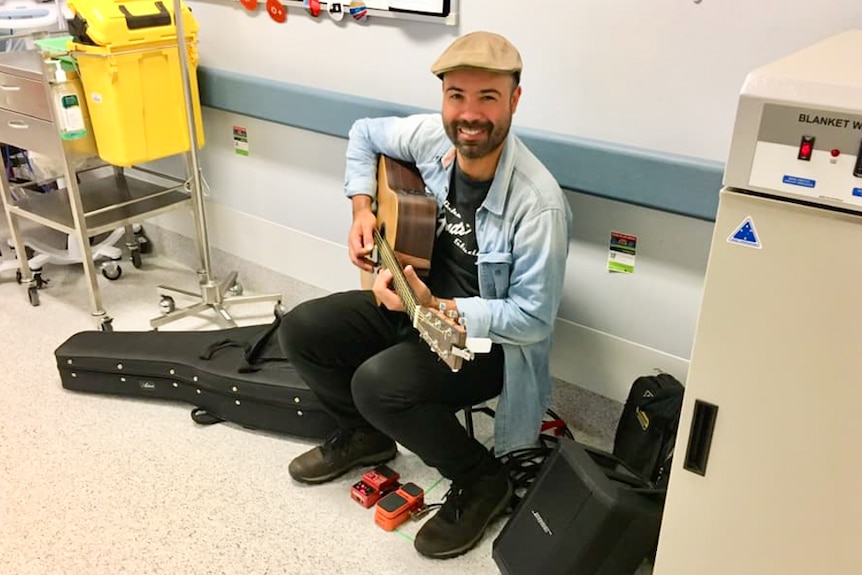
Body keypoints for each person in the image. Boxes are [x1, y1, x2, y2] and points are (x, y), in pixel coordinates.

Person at [279, 31, 572, 559]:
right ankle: (363, 436)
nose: (469, 114)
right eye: (457, 95)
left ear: (514, 100)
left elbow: (533, 320)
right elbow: (364, 133)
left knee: (378, 385)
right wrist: (362, 210)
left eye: (488, 97)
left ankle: (483, 480)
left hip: (485, 344)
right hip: (413, 304)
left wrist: (438, 308)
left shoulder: (539, 204)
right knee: (301, 328)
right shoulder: (433, 139)